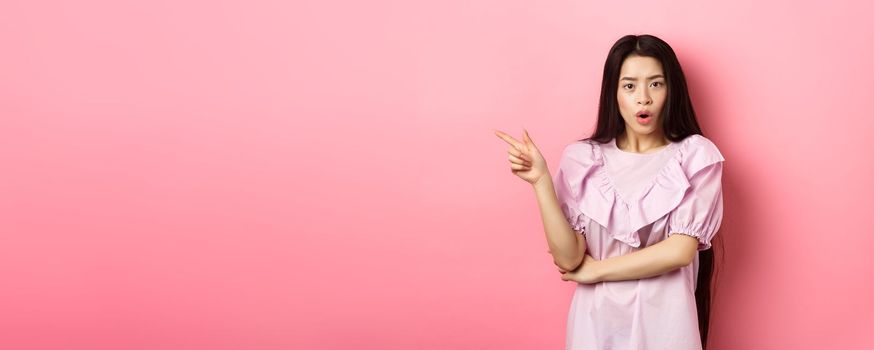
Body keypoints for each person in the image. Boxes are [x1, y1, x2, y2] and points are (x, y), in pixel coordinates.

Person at [494, 34, 725, 349]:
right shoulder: (582, 159)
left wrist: (597, 272)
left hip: (667, 329)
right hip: (595, 327)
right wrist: (541, 181)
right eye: (629, 86)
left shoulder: (696, 156)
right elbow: (569, 257)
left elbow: (679, 251)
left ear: (672, 90)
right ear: (613, 93)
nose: (643, 98)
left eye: (655, 84)